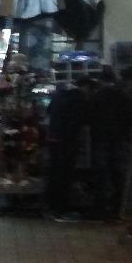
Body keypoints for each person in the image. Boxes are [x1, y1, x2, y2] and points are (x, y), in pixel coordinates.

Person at [88, 66, 132, 220]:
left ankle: (101, 209)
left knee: (101, 176)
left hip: (101, 140)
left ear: (101, 81)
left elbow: (88, 118)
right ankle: (119, 209)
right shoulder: (125, 97)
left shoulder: (96, 97)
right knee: (119, 175)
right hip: (120, 141)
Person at [45, 78, 91, 221]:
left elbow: (49, 110)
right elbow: (81, 121)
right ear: (85, 87)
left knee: (54, 174)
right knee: (65, 176)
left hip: (53, 140)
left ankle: (51, 208)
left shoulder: (59, 95)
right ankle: (61, 210)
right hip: (67, 142)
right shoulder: (79, 100)